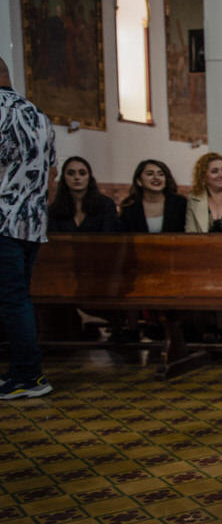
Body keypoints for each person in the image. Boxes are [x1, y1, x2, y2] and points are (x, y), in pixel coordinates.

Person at [0, 56, 56, 399]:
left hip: (2, 220)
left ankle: (29, 375)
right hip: (31, 222)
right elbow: (52, 175)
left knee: (12, 300)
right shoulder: (39, 115)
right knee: (17, 298)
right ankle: (24, 371)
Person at [47, 156, 119, 233]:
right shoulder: (54, 210)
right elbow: (53, 240)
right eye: (71, 173)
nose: (77, 177)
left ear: (89, 177)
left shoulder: (106, 206)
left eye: (82, 173)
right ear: (64, 178)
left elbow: (109, 238)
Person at [119, 159, 187, 233]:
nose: (156, 177)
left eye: (161, 174)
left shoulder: (180, 203)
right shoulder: (129, 206)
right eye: (150, 174)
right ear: (139, 181)